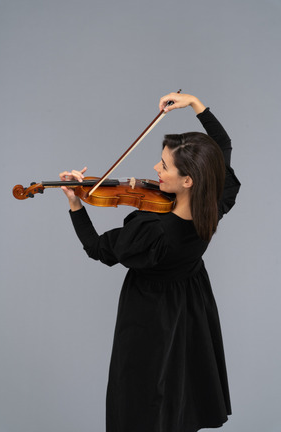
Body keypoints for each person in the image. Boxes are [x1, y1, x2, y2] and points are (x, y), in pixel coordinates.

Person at [59, 93, 241, 432]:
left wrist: (75, 203)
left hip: (148, 315)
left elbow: (98, 248)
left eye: (164, 166)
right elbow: (222, 147)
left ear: (188, 180)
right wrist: (196, 104)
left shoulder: (153, 230)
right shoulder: (212, 202)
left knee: (141, 393)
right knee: (179, 385)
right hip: (190, 305)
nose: (155, 169)